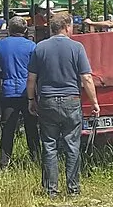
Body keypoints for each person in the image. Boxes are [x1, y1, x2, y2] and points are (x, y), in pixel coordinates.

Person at [26, 13, 99, 196]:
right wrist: (94, 103)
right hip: (71, 100)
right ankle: (73, 188)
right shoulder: (76, 47)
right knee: (72, 145)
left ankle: (51, 190)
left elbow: (31, 79)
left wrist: (31, 100)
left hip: (48, 101)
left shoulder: (39, 48)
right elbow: (87, 78)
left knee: (49, 145)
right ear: (66, 27)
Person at [0, 18, 38, 166]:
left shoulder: (0, 45)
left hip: (8, 91)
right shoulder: (32, 46)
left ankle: (4, 162)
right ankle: (36, 159)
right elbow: (37, 70)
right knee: (31, 127)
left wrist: (3, 76)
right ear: (25, 30)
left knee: (8, 128)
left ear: (9, 30)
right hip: (27, 92)